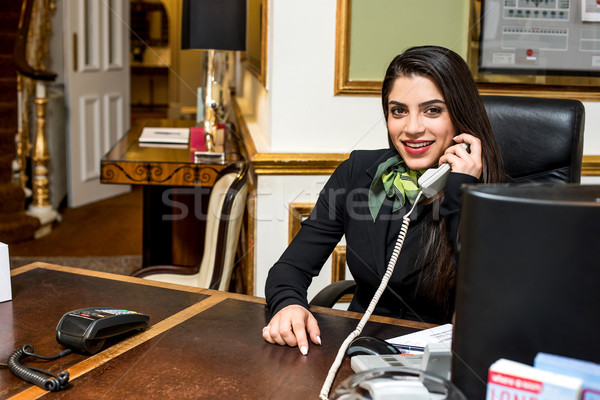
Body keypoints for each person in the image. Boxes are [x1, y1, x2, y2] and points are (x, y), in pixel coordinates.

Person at [262, 45, 505, 355]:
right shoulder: (358, 173)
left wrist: (460, 193)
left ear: (460, 115)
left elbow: (488, 305)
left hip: (444, 365)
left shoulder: (496, 196)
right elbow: (290, 268)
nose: (412, 128)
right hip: (358, 350)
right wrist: (289, 305)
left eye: (433, 110)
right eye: (398, 111)